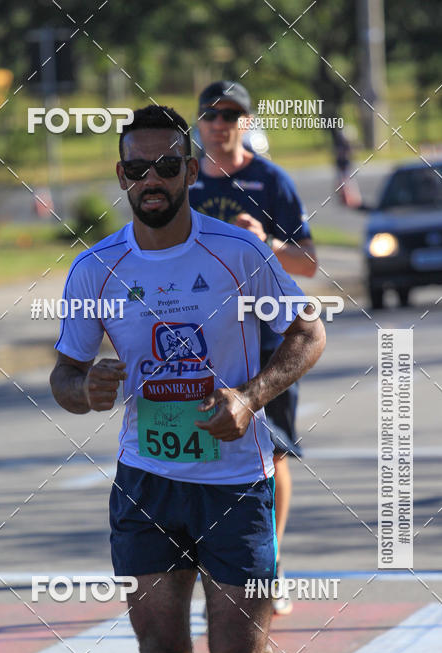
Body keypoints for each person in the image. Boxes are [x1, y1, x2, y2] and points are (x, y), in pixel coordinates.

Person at [49, 105, 325, 653]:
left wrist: (251, 398)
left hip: (235, 482)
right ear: (121, 177)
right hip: (147, 482)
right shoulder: (97, 268)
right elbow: (65, 372)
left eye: (166, 166)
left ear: (189, 169)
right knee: (162, 647)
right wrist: (84, 389)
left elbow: (306, 332)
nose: (152, 181)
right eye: (136, 169)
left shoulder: (237, 253)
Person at [189, 81, 318, 615]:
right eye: (211, 115)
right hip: (196, 338)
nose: (220, 124)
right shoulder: (184, 181)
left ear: (246, 122)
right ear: (199, 124)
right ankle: (207, 564)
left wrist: (266, 241)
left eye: (232, 115)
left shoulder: (270, 181)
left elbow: (308, 263)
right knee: (198, 442)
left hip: (263, 337)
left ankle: (272, 561)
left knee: (274, 448)